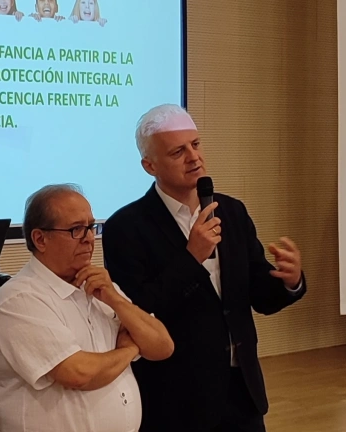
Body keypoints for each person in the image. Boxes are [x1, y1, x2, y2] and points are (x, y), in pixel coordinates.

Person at [102, 104, 307, 432]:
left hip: (242, 389)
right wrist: (191, 258)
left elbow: (259, 296)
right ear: (149, 166)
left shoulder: (232, 211)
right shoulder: (125, 228)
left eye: (196, 144)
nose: (194, 157)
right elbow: (139, 311)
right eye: (178, 151)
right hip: (175, 397)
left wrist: (289, 281)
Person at [0, 184, 174, 432]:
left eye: (91, 227)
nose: (89, 238)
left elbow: (163, 346)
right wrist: (130, 348)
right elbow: (78, 373)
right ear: (40, 239)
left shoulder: (101, 285)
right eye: (76, 229)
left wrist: (115, 300)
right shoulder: (21, 298)